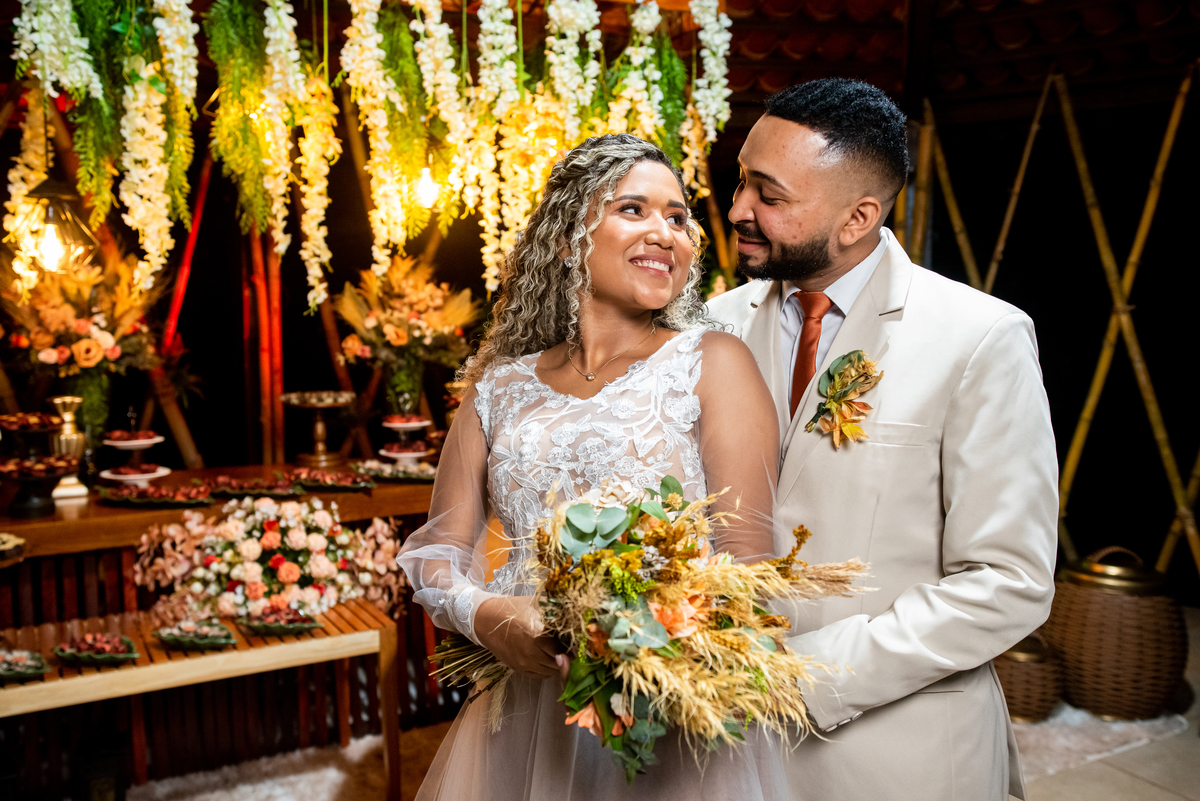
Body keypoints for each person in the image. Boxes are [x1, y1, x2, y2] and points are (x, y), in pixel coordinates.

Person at [397, 134, 790, 800]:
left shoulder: (713, 363)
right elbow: (436, 552)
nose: (664, 232)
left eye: (678, 218)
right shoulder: (497, 386)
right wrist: (491, 615)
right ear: (564, 237)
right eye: (633, 209)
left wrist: (649, 645)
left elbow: (750, 569)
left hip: (665, 713)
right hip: (526, 710)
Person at [707, 77, 1058, 801]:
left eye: (769, 195)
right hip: (724, 746)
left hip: (899, 757)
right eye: (741, 181)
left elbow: (1008, 582)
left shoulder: (978, 338)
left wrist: (801, 676)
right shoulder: (713, 325)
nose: (738, 208)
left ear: (858, 217)